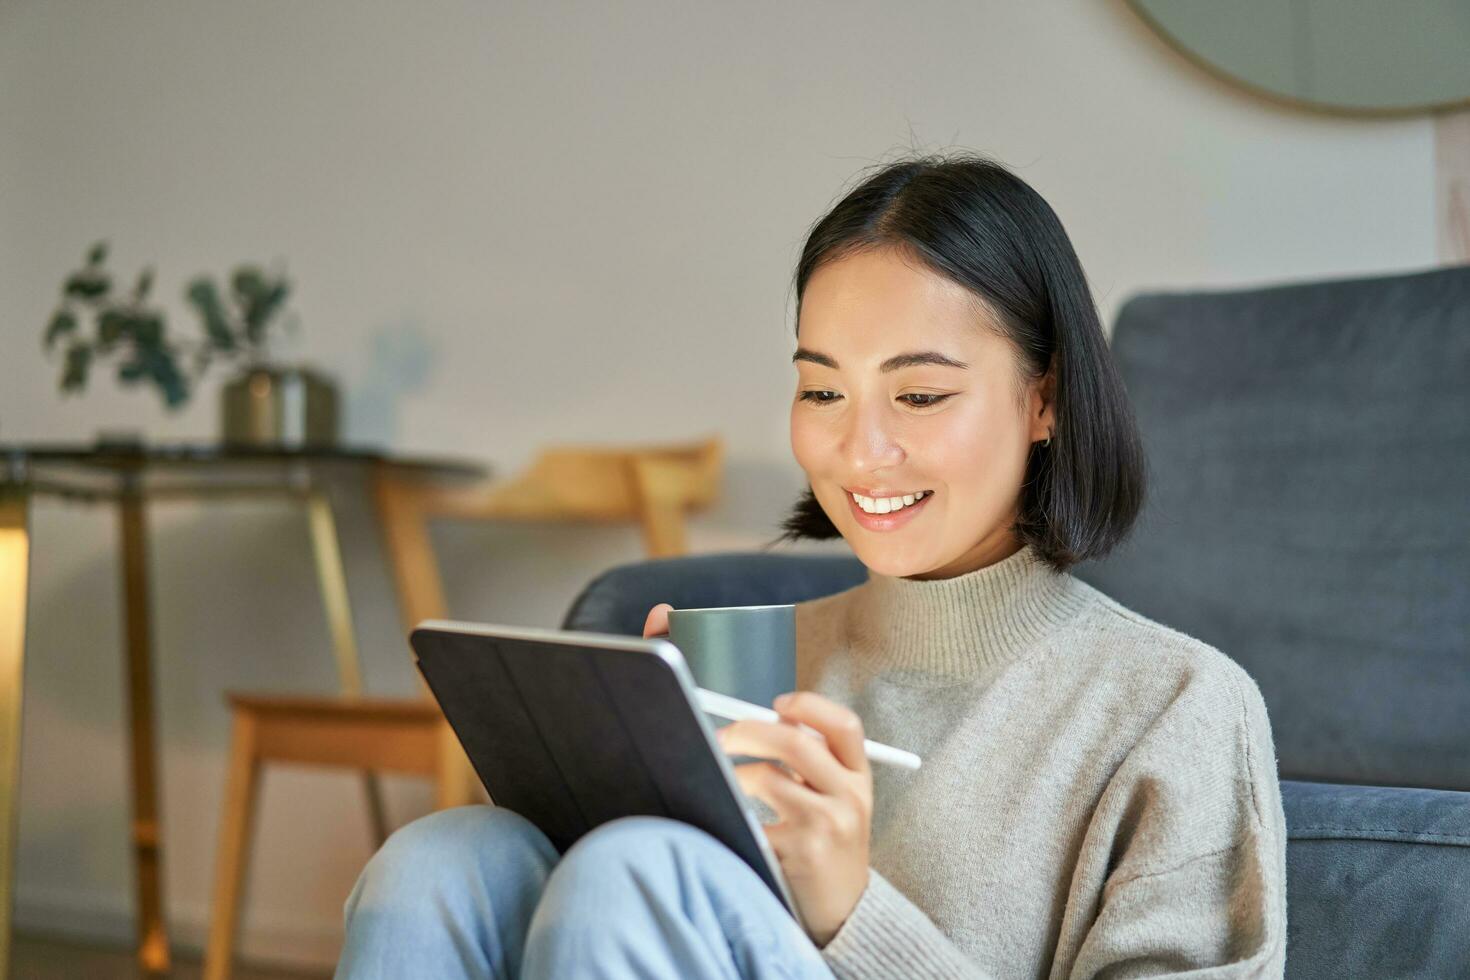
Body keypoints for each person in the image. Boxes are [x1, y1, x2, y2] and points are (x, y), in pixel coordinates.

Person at [335, 153, 1288, 979]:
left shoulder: (1177, 708)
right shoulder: (757, 661)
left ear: (1045, 403)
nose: (859, 449)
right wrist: (628, 759)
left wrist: (847, 912)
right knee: (442, 861)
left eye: (918, 394)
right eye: (822, 388)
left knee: (639, 877)